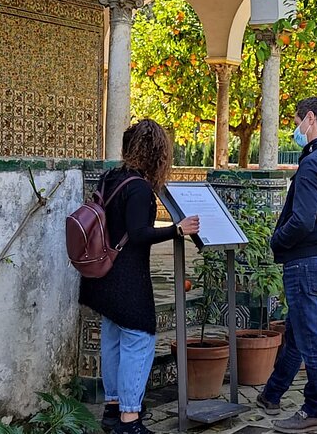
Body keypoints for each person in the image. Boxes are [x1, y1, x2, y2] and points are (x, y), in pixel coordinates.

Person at [79, 119, 199, 434]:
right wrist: (176, 230)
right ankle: (129, 421)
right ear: (156, 153)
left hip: (101, 276)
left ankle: (113, 409)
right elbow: (138, 234)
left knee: (114, 339)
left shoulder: (111, 177)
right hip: (126, 280)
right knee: (140, 341)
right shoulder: (138, 187)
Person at [256, 97, 317, 434]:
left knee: (311, 338)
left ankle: (316, 408)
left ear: (310, 119)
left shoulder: (313, 163)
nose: (295, 128)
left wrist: (276, 240)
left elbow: (302, 220)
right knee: (297, 332)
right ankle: (272, 393)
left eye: (296, 120)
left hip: (306, 261)